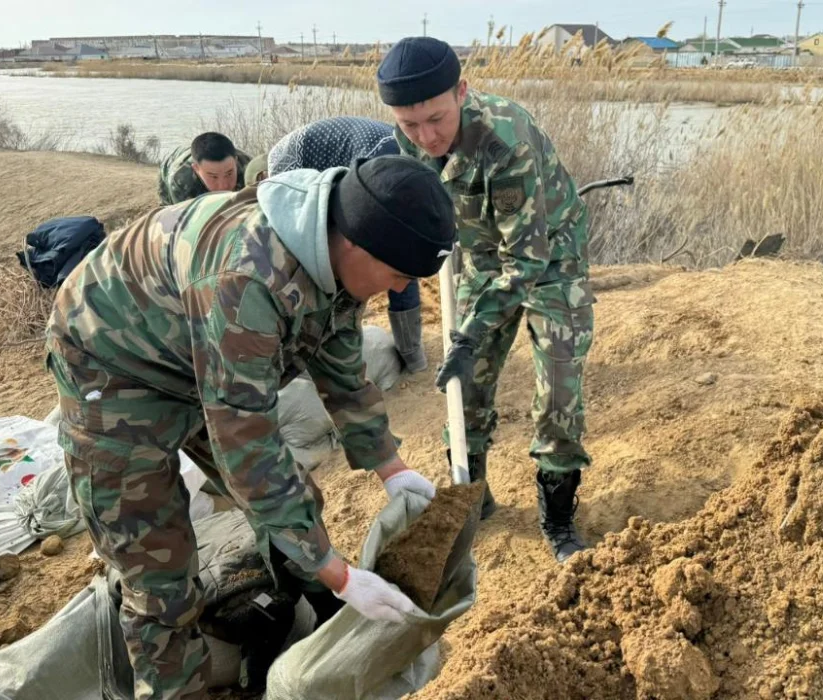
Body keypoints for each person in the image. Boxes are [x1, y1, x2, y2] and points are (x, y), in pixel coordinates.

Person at [46, 155, 455, 700]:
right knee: (159, 571)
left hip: (193, 349)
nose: (395, 288)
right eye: (399, 275)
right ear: (356, 245)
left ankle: (299, 622)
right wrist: (339, 574)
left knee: (296, 504)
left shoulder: (335, 245)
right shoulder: (249, 279)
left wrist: (392, 468)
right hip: (112, 363)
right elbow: (247, 445)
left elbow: (342, 369)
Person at [377, 37, 595, 563]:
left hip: (550, 259)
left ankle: (558, 516)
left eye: (436, 119)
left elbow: (527, 261)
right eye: (410, 125)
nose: (425, 136)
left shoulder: (505, 140)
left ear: (462, 92)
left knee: (559, 388)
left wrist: (473, 331)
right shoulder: (405, 141)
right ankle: (473, 496)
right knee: (465, 385)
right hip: (482, 258)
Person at [245, 116, 428, 373]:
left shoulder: (411, 172)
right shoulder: (379, 176)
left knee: (397, 267)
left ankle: (409, 350)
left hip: (344, 157)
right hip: (305, 162)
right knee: (323, 266)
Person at [157, 131, 252, 205]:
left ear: (236, 162)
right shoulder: (179, 179)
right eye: (214, 177)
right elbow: (186, 220)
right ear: (196, 169)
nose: (223, 186)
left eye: (229, 173)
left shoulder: (249, 167)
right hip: (170, 165)